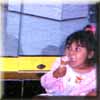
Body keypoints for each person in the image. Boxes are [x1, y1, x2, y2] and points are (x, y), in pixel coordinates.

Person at [40, 30, 97, 96]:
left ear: (90, 54)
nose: (71, 53)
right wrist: (56, 74)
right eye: (68, 48)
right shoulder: (60, 64)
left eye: (77, 49)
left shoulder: (95, 74)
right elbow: (46, 85)